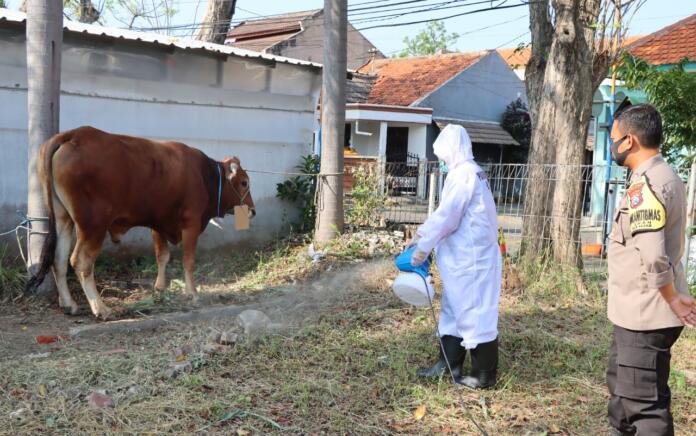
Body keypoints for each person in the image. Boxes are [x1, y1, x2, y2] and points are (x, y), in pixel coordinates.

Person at [606, 104, 696, 435]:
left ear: (629, 141)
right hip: (636, 311)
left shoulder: (648, 185)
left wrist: (672, 297)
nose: (611, 145)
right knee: (623, 395)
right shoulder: (658, 176)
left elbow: (653, 254)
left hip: (646, 312)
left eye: (613, 138)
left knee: (643, 406)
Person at [409, 124, 502, 389]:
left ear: (452, 150)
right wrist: (422, 234)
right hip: (463, 259)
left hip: (472, 260)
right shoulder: (469, 172)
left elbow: (448, 216)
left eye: (443, 157)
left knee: (475, 313)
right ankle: (449, 365)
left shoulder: (464, 175)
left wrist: (423, 244)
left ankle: (484, 375)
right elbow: (446, 215)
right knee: (453, 309)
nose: (442, 162)